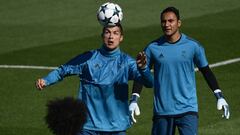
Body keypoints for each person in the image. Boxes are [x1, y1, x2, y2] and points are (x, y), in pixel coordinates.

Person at [36, 23, 153, 135]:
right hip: (88, 127)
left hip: (116, 127)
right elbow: (63, 70)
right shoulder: (88, 59)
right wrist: (46, 80)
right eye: (107, 32)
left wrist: (143, 69)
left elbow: (149, 83)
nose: (111, 37)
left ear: (121, 37)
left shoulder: (127, 62)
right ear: (102, 36)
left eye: (115, 33)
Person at [134, 6, 230, 135]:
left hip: (188, 109)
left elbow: (206, 71)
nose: (167, 24)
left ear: (179, 23)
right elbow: (141, 72)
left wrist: (219, 96)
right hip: (163, 111)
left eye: (170, 21)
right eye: (163, 21)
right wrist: (134, 99)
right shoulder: (152, 48)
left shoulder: (193, 46)